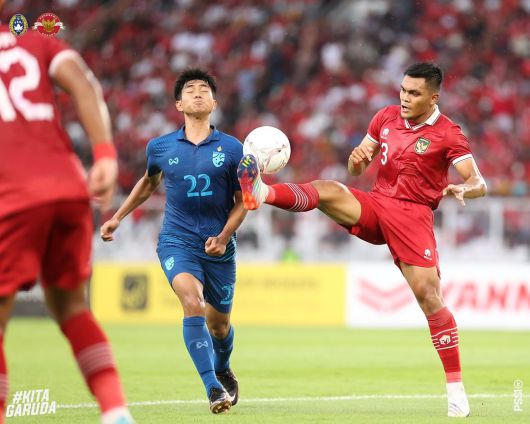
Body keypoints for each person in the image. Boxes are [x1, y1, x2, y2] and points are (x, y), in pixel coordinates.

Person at [237, 62, 487, 418]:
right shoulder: (385, 117)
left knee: (429, 298)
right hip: (377, 203)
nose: (405, 98)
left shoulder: (449, 133)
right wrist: (356, 161)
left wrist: (465, 188)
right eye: (403, 90)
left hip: (413, 217)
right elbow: (357, 167)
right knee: (329, 188)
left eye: (414, 93)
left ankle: (456, 392)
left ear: (433, 98)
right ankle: (262, 192)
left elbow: (479, 182)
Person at [0, 4, 134, 424]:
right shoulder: (34, 42)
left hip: (12, 195)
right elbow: (83, 81)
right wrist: (105, 153)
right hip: (67, 187)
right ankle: (115, 412)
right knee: (73, 308)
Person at [101, 68, 246, 414]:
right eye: (190, 89)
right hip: (176, 241)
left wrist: (224, 236)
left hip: (219, 247)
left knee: (220, 326)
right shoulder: (160, 147)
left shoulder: (232, 148)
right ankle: (212, 388)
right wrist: (118, 216)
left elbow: (244, 201)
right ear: (178, 103)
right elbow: (148, 183)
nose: (197, 93)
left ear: (214, 102)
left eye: (204, 89)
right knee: (192, 302)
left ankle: (223, 366)